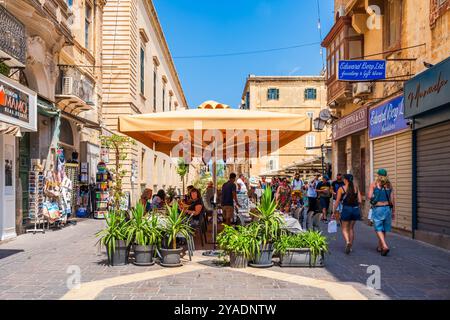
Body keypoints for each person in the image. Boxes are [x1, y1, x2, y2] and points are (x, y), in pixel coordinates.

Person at [368, 169, 395, 256]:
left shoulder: (374, 184)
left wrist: (375, 197)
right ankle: (380, 247)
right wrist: (393, 211)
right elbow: (392, 200)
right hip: (387, 209)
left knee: (378, 228)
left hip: (378, 208)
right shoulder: (389, 185)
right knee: (383, 228)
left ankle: (384, 245)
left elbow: (369, 196)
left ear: (378, 175)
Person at [333, 174, 362, 254]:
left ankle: (347, 242)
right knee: (351, 229)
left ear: (345, 180)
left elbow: (337, 201)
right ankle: (350, 246)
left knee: (344, 228)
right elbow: (360, 200)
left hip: (346, 209)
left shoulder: (341, 189)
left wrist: (334, 211)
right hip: (355, 209)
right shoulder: (356, 188)